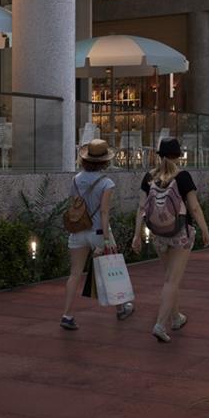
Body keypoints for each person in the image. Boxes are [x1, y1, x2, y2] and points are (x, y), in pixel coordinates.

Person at [131, 137, 209, 343]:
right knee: (171, 281)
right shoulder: (182, 176)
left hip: (158, 234)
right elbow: (194, 207)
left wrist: (136, 235)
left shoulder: (149, 177)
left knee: (169, 279)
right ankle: (160, 324)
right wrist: (204, 229)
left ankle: (176, 317)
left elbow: (141, 208)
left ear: (159, 155)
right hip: (180, 235)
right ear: (178, 156)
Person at [60, 138, 135, 330]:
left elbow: (75, 204)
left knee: (74, 274)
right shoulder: (106, 183)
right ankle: (120, 308)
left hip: (77, 231)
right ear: (104, 161)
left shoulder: (75, 179)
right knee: (110, 269)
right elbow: (104, 212)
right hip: (98, 231)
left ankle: (67, 315)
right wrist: (106, 238)